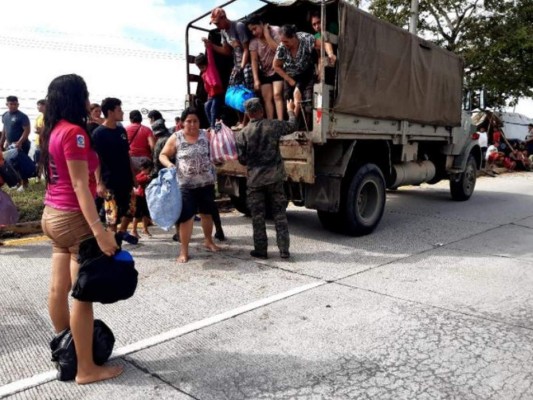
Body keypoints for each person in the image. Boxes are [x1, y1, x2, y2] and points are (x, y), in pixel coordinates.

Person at [39, 74, 123, 384]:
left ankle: (69, 351)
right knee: (82, 295)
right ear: (76, 98)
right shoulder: (75, 133)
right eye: (86, 95)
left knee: (57, 289)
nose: (90, 101)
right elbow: (79, 185)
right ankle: (86, 368)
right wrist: (99, 230)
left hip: (51, 215)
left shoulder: (51, 131)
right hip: (73, 217)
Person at [236, 98, 297, 259]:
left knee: (258, 217)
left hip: (255, 182)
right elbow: (292, 126)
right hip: (275, 179)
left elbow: (242, 160)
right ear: (261, 110)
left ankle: (261, 251)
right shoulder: (273, 125)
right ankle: (284, 250)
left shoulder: (243, 134)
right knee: (279, 215)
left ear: (248, 114)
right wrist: (291, 109)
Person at [159, 107, 221, 263]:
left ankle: (208, 241)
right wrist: (169, 165)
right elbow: (163, 155)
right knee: (187, 218)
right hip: (186, 186)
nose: (192, 124)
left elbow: (216, 152)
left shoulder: (205, 135)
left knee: (207, 214)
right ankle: (184, 251)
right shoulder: (176, 137)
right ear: (182, 122)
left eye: (195, 121)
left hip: (206, 183)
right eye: (189, 121)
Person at [92, 98, 136, 236]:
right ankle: (114, 248)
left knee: (132, 210)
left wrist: (133, 175)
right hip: (109, 181)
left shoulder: (121, 131)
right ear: (110, 112)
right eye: (119, 110)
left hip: (126, 179)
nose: (122, 112)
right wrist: (99, 183)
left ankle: (121, 233)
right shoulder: (99, 134)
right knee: (112, 218)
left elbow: (127, 154)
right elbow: (95, 160)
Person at [203, 7, 253, 131]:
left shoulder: (238, 26)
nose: (217, 25)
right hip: (236, 66)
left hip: (246, 64)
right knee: (232, 95)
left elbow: (247, 49)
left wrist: (242, 67)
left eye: (217, 22)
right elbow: (226, 51)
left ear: (224, 17)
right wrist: (211, 45)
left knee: (247, 94)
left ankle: (247, 122)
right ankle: (240, 120)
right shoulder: (224, 32)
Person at [273, 24, 321, 123]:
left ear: (294, 37)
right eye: (282, 41)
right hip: (290, 75)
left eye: (286, 41)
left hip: (306, 73)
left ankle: (297, 124)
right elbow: (276, 66)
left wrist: (321, 65)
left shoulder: (306, 38)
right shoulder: (282, 47)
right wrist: (290, 80)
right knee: (289, 99)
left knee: (302, 98)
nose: (284, 44)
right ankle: (293, 122)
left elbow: (323, 46)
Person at [246, 15, 284, 120]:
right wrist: (256, 79)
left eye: (255, 28)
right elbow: (254, 60)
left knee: (277, 95)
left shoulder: (275, 31)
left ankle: (280, 122)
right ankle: (270, 122)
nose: (254, 32)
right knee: (267, 98)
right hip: (265, 71)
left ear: (261, 24)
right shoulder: (253, 42)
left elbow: (279, 50)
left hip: (278, 68)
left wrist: (267, 35)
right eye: (251, 31)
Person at [1, 95, 31, 189]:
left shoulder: (22, 116)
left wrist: (20, 142)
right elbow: (5, 129)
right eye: (11, 104)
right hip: (10, 145)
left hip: (22, 144)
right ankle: (17, 182)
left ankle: (25, 183)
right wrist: (1, 142)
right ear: (7, 104)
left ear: (18, 104)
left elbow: (27, 130)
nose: (13, 106)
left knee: (22, 163)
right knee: (12, 164)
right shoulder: (5, 115)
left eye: (15, 104)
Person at [195, 52, 224, 130]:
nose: (202, 69)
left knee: (213, 109)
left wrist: (207, 45)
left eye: (202, 66)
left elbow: (210, 56)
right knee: (206, 106)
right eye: (200, 68)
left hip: (218, 94)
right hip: (211, 96)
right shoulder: (204, 75)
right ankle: (212, 124)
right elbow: (207, 89)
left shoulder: (211, 68)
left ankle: (213, 127)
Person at [309, 10, 337, 82]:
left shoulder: (332, 26)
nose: (317, 26)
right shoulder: (316, 36)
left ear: (324, 20)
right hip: (326, 61)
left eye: (319, 22)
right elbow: (319, 55)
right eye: (314, 24)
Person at [132, 159, 154, 238]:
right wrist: (146, 178)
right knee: (137, 214)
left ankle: (145, 229)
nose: (144, 170)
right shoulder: (141, 175)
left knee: (146, 214)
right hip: (139, 197)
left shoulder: (149, 175)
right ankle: (133, 230)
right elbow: (137, 180)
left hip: (146, 197)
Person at [34, 99, 46, 182]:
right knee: (38, 159)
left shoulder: (49, 117)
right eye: (37, 105)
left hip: (46, 142)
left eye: (40, 105)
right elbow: (35, 128)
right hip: (38, 141)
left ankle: (45, 176)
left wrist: (41, 130)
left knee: (45, 159)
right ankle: (38, 176)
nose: (38, 107)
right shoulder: (39, 117)